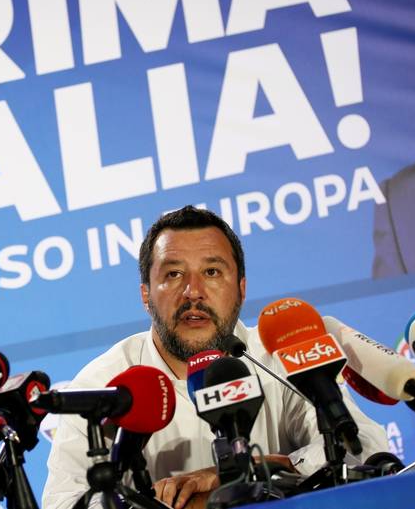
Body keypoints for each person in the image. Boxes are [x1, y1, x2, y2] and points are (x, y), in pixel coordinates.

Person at [42, 206, 388, 509]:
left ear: (241, 289)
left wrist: (257, 467)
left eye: (212, 272)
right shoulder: (104, 384)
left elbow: (363, 450)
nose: (193, 292)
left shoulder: (278, 355)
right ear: (146, 295)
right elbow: (64, 502)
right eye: (173, 274)